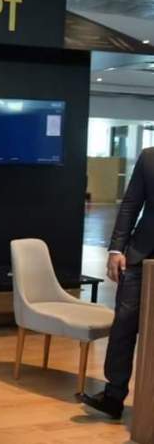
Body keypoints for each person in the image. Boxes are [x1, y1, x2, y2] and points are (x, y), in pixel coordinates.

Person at [78, 147, 154, 420]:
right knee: (123, 324)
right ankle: (113, 396)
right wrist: (116, 249)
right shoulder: (149, 158)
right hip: (141, 256)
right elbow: (131, 205)